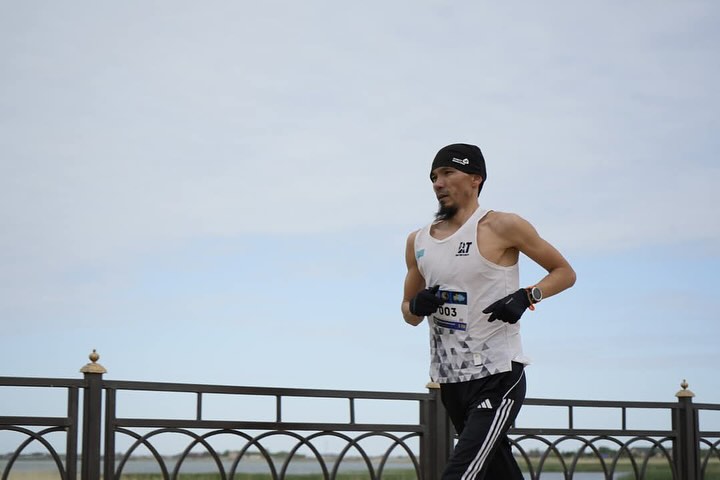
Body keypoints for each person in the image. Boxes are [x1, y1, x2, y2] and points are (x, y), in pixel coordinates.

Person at [401, 143, 576, 479]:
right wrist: (416, 306)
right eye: (434, 177)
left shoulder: (502, 225)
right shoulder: (418, 241)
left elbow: (565, 273)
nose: (438, 183)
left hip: (498, 375)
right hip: (450, 381)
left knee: (461, 473)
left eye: (448, 172)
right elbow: (408, 314)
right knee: (498, 471)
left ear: (475, 178)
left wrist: (527, 296)